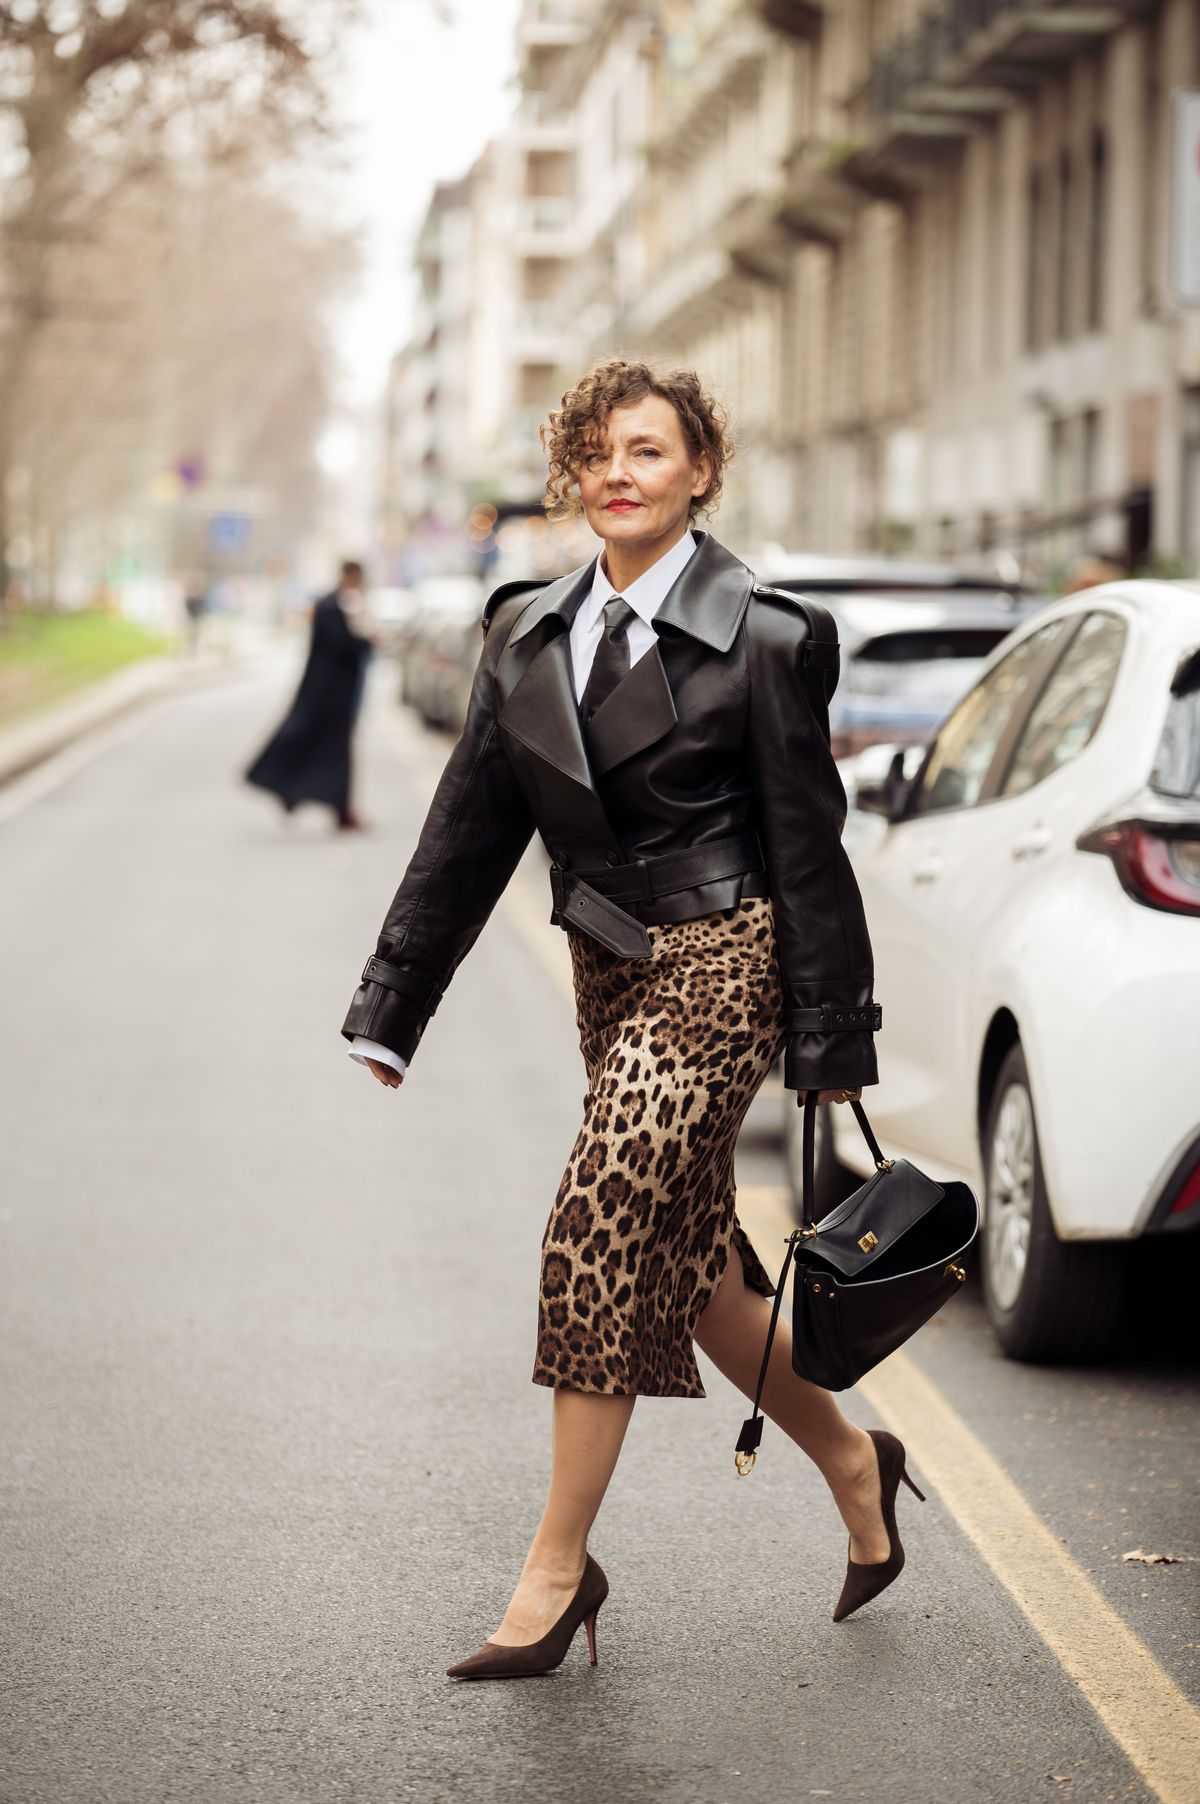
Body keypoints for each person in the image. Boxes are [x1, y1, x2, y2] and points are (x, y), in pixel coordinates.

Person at [341, 360, 907, 1680]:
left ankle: (556, 1569)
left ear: (700, 471)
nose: (619, 470)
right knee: (691, 1252)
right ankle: (854, 1457)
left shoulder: (767, 633)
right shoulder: (524, 629)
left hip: (728, 960)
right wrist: (393, 1003)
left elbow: (809, 852)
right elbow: (468, 829)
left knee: (597, 1218)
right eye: (596, 450)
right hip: (610, 967)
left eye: (648, 450)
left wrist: (832, 1036)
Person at [246, 560, 373, 831]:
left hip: (332, 693)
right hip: (328, 695)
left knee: (326, 750)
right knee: (328, 749)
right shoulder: (330, 607)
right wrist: (367, 641)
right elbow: (339, 645)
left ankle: (318, 801)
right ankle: (332, 808)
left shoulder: (334, 605)